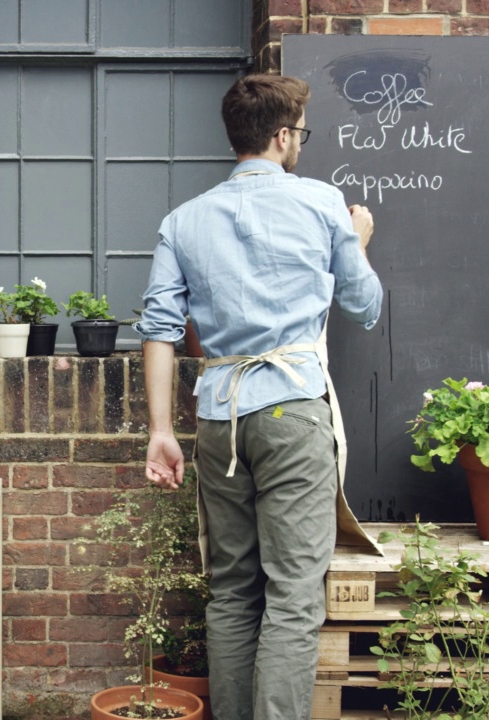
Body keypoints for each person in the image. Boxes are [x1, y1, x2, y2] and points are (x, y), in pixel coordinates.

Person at [133, 73, 382, 720]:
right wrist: (356, 240)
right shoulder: (323, 203)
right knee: (295, 597)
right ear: (280, 135)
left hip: (220, 418)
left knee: (233, 591)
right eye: (299, 132)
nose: (300, 142)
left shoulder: (183, 220)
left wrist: (161, 429)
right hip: (294, 411)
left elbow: (158, 330)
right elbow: (365, 305)